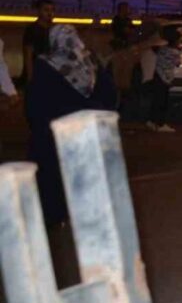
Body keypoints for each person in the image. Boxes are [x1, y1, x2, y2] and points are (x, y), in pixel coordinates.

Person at [26, 24, 118, 226]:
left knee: (52, 173)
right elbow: (110, 94)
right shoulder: (90, 62)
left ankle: (55, 216)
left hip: (55, 128)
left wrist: (36, 125)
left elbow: (36, 99)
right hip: (86, 127)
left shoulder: (46, 64)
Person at [143, 25, 182, 133]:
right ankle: (160, 124)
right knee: (163, 102)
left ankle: (151, 121)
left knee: (156, 100)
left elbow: (155, 50)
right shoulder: (175, 53)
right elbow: (178, 64)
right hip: (166, 79)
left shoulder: (162, 49)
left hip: (157, 75)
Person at [21, 0, 55, 84]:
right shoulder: (32, 29)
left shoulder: (54, 30)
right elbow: (28, 55)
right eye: (46, 10)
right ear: (39, 11)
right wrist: (30, 77)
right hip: (36, 73)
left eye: (52, 10)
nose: (50, 13)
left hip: (49, 73)